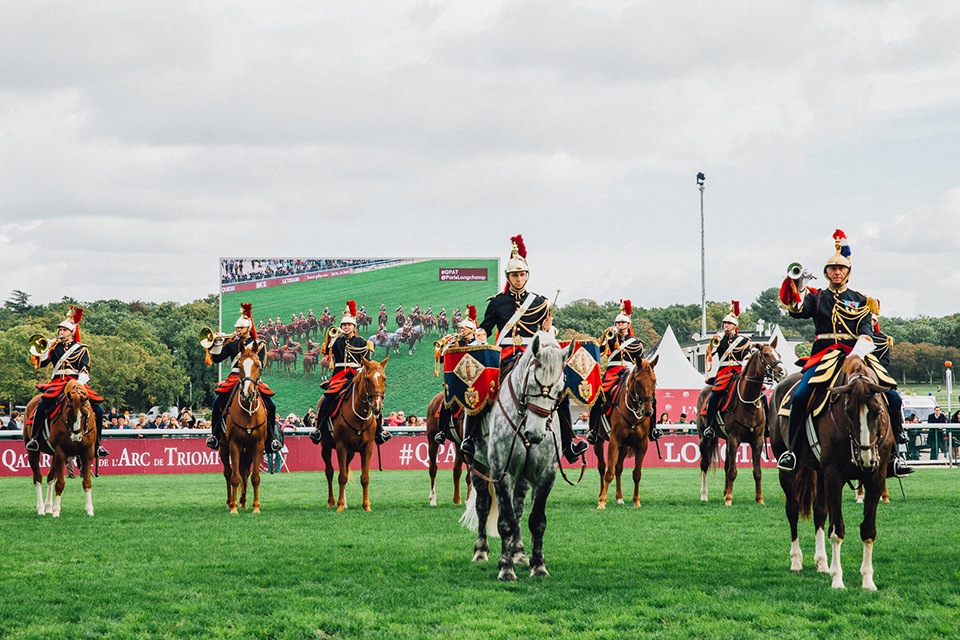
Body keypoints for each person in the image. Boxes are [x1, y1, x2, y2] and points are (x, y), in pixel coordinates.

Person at [775, 230, 912, 477]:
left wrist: (856, 354)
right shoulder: (817, 298)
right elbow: (796, 310)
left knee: (892, 396)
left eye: (841, 269)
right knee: (801, 394)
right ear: (826, 273)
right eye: (832, 269)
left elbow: (867, 331)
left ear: (848, 272)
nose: (836, 272)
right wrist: (799, 285)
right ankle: (792, 452)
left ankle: (895, 455)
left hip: (857, 355)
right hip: (825, 355)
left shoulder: (861, 300)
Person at [463, 235, 588, 464]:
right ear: (508, 277)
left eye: (522, 274)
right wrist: (481, 332)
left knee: (559, 388)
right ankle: (470, 439)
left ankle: (569, 441)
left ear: (526, 276)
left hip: (534, 355)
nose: (519, 279)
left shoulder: (540, 302)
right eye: (514, 275)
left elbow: (545, 332)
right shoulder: (497, 302)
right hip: (506, 354)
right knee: (483, 386)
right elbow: (486, 327)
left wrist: (550, 327)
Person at [26, 306, 109, 458]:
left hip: (76, 383)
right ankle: (34, 439)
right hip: (57, 383)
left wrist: (79, 383)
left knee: (99, 410)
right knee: (42, 404)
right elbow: (42, 364)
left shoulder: (82, 349)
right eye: (60, 330)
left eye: (64, 330)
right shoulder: (55, 346)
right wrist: (44, 350)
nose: (60, 332)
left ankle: (98, 445)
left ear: (71, 332)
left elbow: (85, 368)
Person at [309, 301, 392, 445]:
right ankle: (319, 429)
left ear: (354, 327)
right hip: (340, 375)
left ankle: (379, 431)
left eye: (349, 325)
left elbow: (367, 364)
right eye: (343, 325)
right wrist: (331, 336)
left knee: (373, 399)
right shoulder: (336, 341)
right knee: (327, 398)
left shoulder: (363, 343)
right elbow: (325, 351)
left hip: (357, 376)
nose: (346, 327)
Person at [205, 304, 282, 454]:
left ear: (248, 329)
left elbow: (261, 364)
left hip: (252, 378)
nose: (237, 330)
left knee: (271, 406)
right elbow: (218, 359)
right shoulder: (232, 343)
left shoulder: (259, 344)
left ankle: (271, 439)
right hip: (235, 376)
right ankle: (214, 436)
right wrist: (215, 344)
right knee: (217, 403)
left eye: (240, 328)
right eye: (237, 328)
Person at [586, 300, 662, 444]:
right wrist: (605, 339)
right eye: (618, 323)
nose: (620, 325)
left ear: (628, 324)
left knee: (652, 397)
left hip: (629, 372)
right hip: (612, 372)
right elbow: (600, 351)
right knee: (597, 397)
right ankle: (593, 430)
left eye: (623, 323)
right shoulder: (610, 336)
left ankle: (653, 429)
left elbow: (640, 362)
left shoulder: (636, 342)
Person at [700, 302, 752, 439]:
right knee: (714, 395)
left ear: (735, 326)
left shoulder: (743, 340)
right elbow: (711, 353)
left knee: (760, 393)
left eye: (728, 324)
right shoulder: (720, 338)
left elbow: (747, 354)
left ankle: (766, 424)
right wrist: (712, 344)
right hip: (724, 372)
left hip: (739, 372)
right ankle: (710, 426)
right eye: (724, 324)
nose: (725, 326)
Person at [433, 305, 484, 444]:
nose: (461, 330)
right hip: (457, 382)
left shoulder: (479, 345)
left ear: (471, 330)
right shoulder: (455, 343)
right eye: (461, 328)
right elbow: (444, 360)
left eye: (464, 328)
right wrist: (444, 349)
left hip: (474, 383)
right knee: (446, 403)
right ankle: (442, 431)